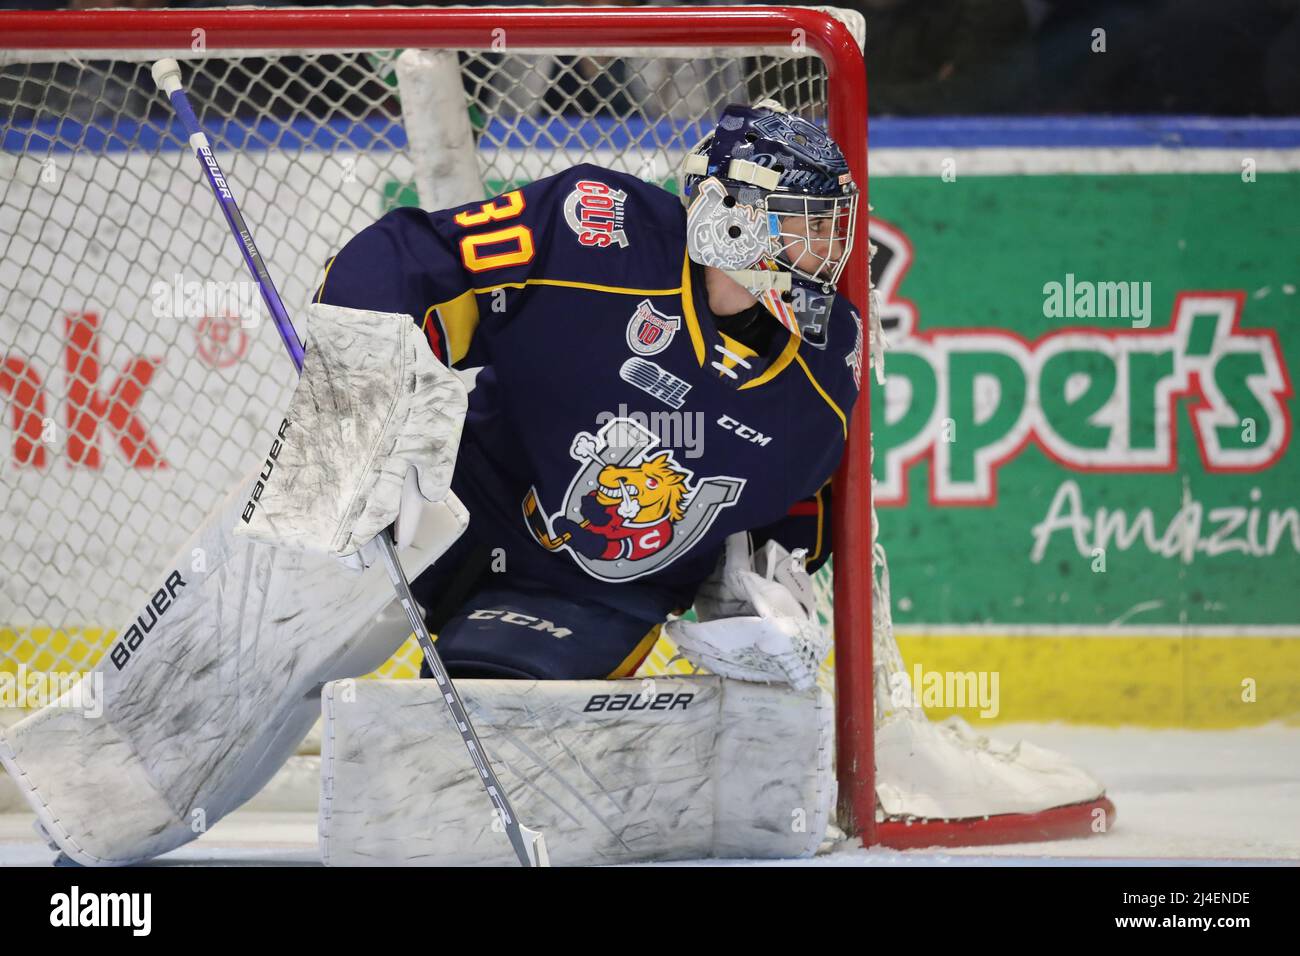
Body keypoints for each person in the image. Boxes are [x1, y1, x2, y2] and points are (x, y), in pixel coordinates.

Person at [311, 99, 865, 684]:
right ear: (731, 218)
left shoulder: (830, 352)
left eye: (833, 224)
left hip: (599, 591)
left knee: (492, 701)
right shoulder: (599, 231)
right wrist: (360, 409)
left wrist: (762, 575)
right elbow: (412, 262)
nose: (831, 248)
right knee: (278, 609)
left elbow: (808, 488)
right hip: (447, 507)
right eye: (810, 222)